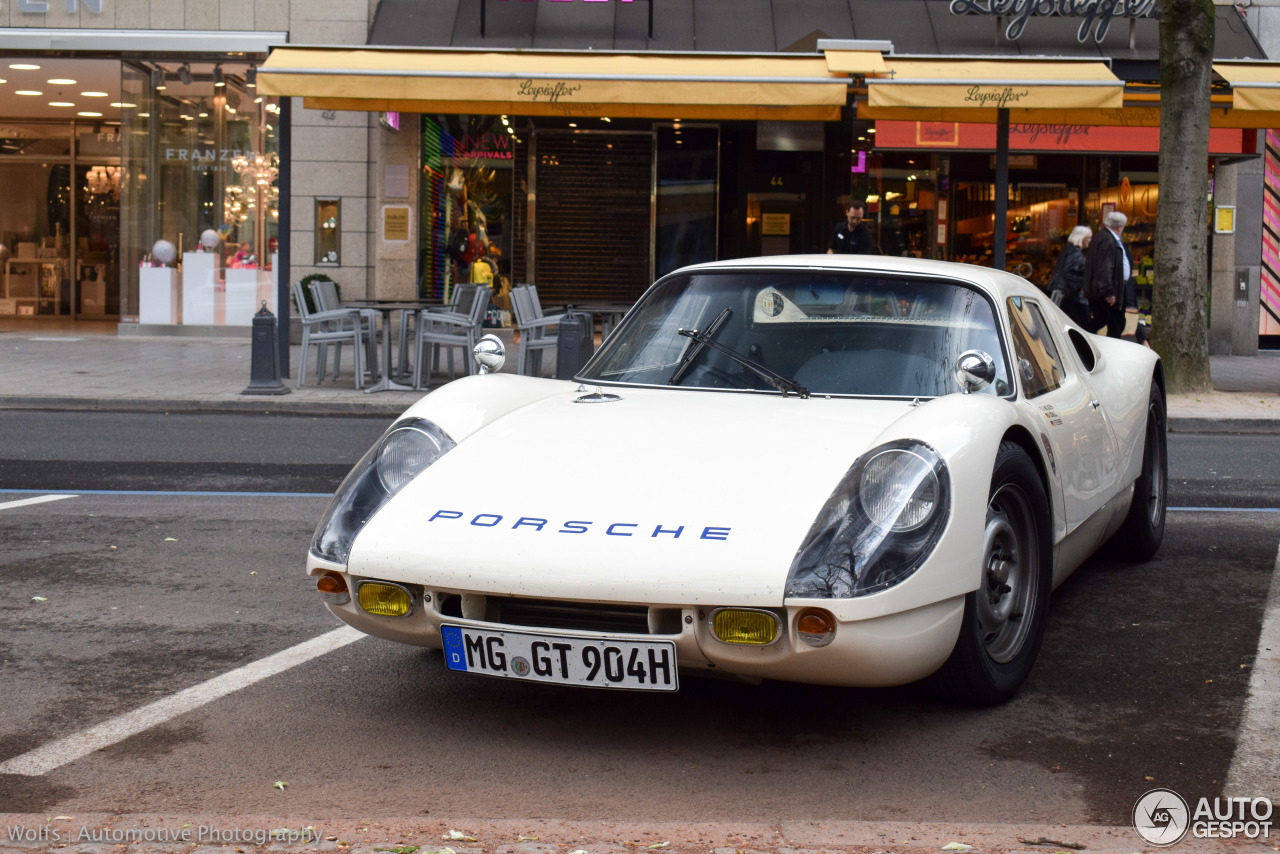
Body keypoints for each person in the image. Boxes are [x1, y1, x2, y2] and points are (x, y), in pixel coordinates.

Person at [1083, 210, 1133, 338]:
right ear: (1119, 226)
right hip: (1107, 289)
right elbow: (1105, 267)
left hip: (1100, 288)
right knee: (1116, 322)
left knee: (1103, 319)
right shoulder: (1108, 240)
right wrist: (1109, 292)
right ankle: (1079, 337)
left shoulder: (1101, 237)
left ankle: (1080, 337)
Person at [1047, 225, 1092, 328]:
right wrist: (1082, 285)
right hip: (1068, 293)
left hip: (1065, 292)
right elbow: (1068, 273)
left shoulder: (1069, 249)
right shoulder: (1075, 252)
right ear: (1082, 237)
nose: (1090, 240)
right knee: (1085, 323)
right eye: (1089, 237)